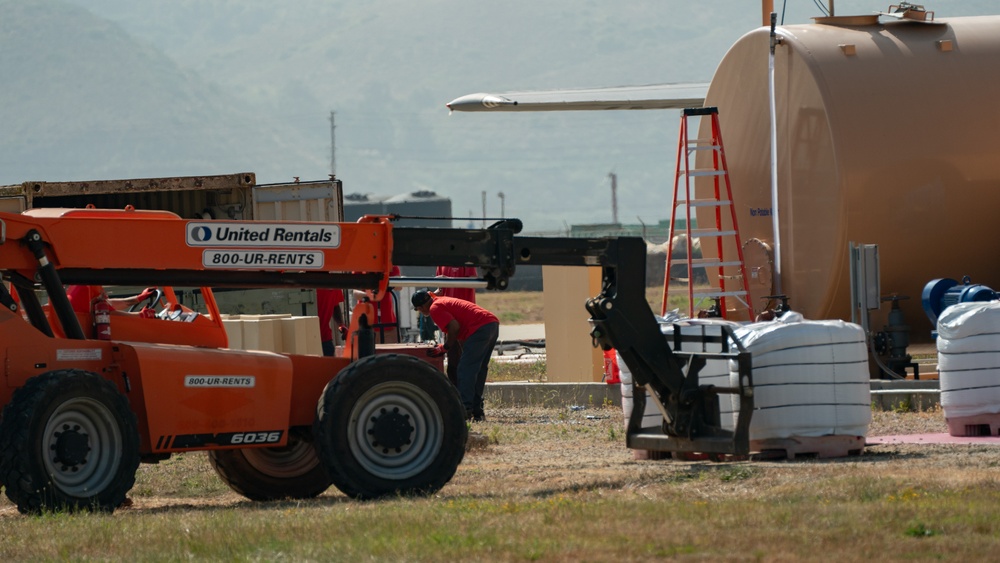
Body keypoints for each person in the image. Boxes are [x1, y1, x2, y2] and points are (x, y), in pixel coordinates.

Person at [411, 289, 498, 421]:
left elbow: (454, 327)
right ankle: (477, 411)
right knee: (479, 369)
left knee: (465, 369)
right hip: (491, 324)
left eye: (418, 310)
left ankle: (464, 409)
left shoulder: (435, 308)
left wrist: (445, 347)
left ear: (422, 306)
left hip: (479, 328)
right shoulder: (441, 301)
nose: (420, 313)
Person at [433, 265, 479, 385]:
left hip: (465, 317)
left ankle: (471, 394)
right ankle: (455, 393)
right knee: (452, 359)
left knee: (467, 357)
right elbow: (440, 290)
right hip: (449, 318)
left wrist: (449, 280)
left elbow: (473, 282)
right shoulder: (440, 263)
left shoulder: (465, 259)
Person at [316, 288, 347, 356]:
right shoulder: (308, 282)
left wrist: (341, 324)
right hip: (306, 338)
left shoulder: (334, 284)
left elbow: (335, 306)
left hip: (325, 339)